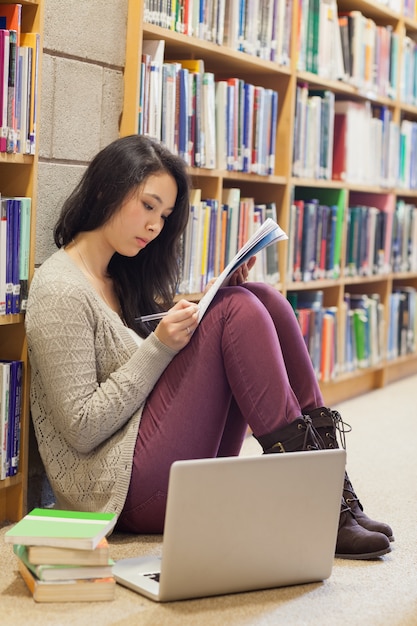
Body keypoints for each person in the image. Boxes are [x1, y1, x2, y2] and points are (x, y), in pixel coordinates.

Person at [26, 135, 393, 561]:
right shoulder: (59, 291)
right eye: (148, 206)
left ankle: (330, 488)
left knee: (261, 297)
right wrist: (160, 347)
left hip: (153, 464)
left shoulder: (120, 277)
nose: (155, 226)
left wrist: (202, 308)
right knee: (236, 308)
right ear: (106, 189)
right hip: (114, 491)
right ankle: (311, 502)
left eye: (164, 215)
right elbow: (82, 426)